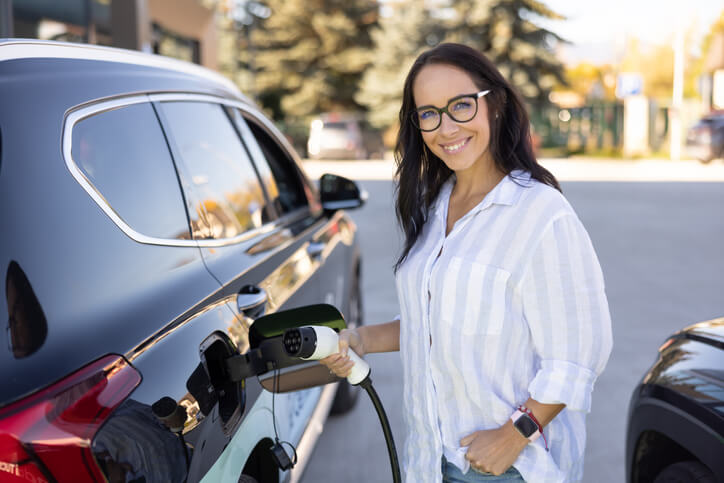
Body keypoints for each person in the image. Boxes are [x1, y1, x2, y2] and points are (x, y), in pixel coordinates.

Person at [321, 43, 612, 483]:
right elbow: (438, 318)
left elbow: (579, 352)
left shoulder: (540, 213)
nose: (446, 127)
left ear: (492, 104)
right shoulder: (436, 206)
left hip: (508, 466)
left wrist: (516, 434)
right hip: (430, 459)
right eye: (429, 113)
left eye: (461, 105)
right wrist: (360, 339)